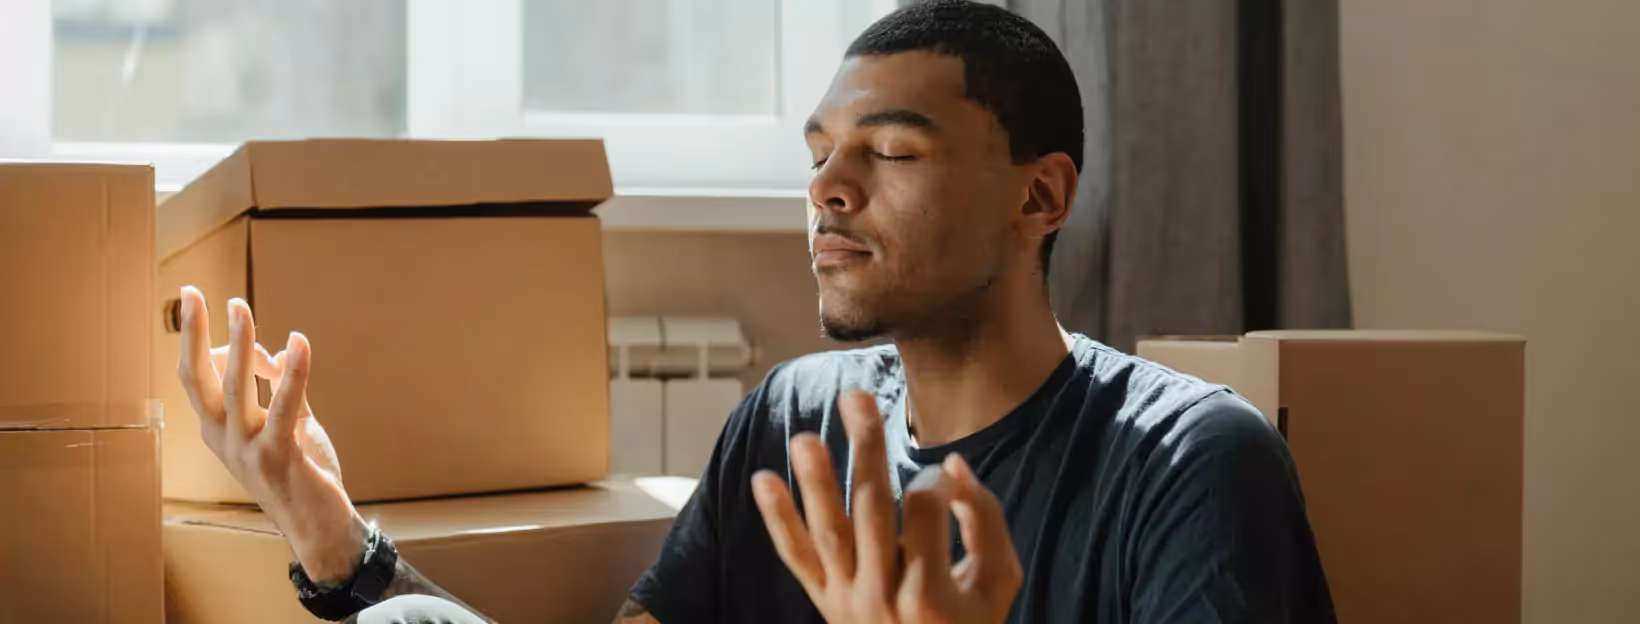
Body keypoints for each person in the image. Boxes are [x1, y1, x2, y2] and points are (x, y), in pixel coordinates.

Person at [175, 1, 1335, 622]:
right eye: (821, 152)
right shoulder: (793, 419)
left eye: (888, 150)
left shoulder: (1189, 464)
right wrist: (337, 540)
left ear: (1039, 194)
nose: (829, 187)